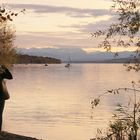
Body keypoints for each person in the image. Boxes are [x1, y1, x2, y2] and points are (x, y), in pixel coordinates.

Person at [0, 65, 13, 131]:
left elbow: (10, 77)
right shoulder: (1, 74)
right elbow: (10, 76)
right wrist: (5, 69)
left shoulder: (1, 74)